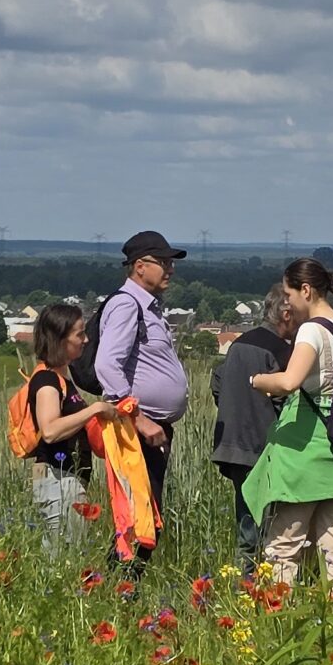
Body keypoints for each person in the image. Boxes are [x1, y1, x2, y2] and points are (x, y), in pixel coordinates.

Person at [243, 258, 333, 593]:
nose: (287, 303)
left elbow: (290, 381)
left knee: (283, 549)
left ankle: (278, 620)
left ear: (306, 290)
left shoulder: (312, 330)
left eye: (289, 294)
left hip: (306, 450)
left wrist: (257, 379)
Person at [90, 230, 190, 572]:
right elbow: (106, 364)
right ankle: (118, 590)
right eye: (162, 262)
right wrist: (140, 418)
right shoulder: (126, 304)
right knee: (140, 519)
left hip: (150, 428)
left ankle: (120, 589)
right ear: (139, 266)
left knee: (147, 515)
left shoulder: (148, 306)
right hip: (137, 430)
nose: (170, 269)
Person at [210, 285, 290, 564]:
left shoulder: (240, 343)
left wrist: (234, 410)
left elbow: (217, 382)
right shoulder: (282, 352)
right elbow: (287, 403)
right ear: (286, 314)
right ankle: (261, 590)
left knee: (246, 524)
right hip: (264, 449)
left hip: (232, 445)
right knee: (270, 529)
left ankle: (243, 588)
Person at [22, 301, 107, 550]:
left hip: (66, 479)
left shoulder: (61, 379)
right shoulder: (48, 381)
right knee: (63, 556)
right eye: (79, 333)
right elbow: (50, 431)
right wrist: (94, 409)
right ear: (60, 339)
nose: (86, 340)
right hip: (57, 480)